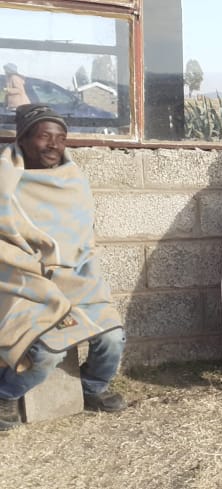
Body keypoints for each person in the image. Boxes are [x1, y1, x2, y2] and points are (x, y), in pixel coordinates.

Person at [0, 104, 127, 431]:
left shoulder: (73, 180)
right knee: (47, 352)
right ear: (23, 139)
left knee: (113, 338)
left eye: (61, 138)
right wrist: (33, 267)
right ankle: (5, 394)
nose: (54, 145)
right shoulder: (5, 182)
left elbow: (83, 238)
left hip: (77, 277)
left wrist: (78, 268)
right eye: (44, 136)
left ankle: (93, 387)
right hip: (25, 283)